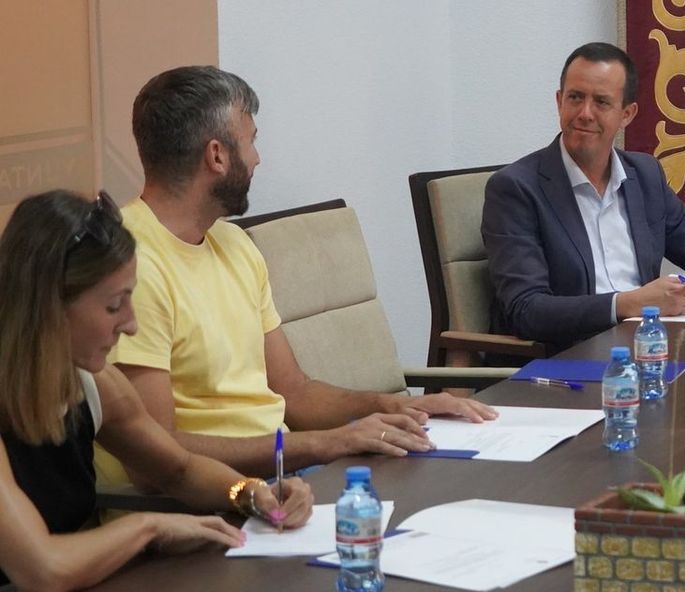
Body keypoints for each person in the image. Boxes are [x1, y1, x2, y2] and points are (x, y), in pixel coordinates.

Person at [98, 66, 495, 489]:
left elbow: (294, 390)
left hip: (285, 473)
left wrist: (395, 407)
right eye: (251, 140)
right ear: (217, 155)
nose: (256, 158)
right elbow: (155, 457)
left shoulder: (234, 244)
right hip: (216, 499)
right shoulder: (130, 266)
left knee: (456, 483)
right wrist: (324, 444)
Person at [0, 191, 313, 592]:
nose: (130, 325)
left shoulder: (90, 384)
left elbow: (177, 470)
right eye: (114, 306)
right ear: (49, 307)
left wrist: (251, 493)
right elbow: (44, 570)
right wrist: (148, 527)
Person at [483, 42, 685, 353]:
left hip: (649, 343)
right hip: (571, 358)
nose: (584, 113)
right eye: (575, 98)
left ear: (627, 114)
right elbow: (527, 310)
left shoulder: (644, 175)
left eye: (601, 102)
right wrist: (630, 303)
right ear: (558, 101)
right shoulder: (517, 188)